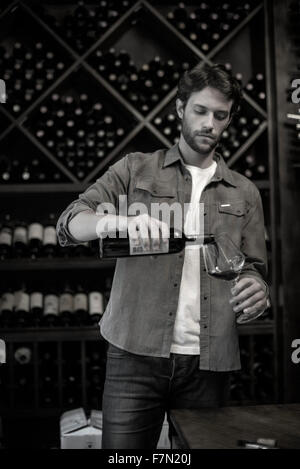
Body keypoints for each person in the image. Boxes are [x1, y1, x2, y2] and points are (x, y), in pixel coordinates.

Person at [56, 63, 270, 449]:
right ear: (179, 109)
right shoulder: (135, 169)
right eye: (200, 111)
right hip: (134, 354)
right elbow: (68, 224)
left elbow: (254, 270)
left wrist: (258, 290)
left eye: (220, 116)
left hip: (209, 362)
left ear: (229, 120)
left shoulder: (245, 192)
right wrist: (116, 222)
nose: (209, 123)